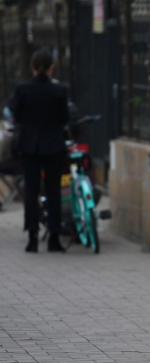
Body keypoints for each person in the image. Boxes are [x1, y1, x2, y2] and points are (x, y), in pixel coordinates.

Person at [8, 49, 69, 253]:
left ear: (32, 67)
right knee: (54, 192)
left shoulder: (22, 89)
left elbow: (16, 114)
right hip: (53, 145)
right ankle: (54, 237)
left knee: (31, 191)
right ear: (52, 68)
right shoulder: (58, 90)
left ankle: (32, 237)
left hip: (29, 145)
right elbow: (64, 118)